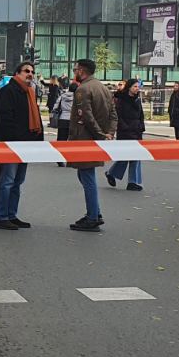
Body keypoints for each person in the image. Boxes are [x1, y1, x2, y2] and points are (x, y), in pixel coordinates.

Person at [0, 62, 41, 229]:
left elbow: (36, 119)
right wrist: (16, 140)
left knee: (17, 181)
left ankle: (11, 215)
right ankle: (1, 216)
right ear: (17, 73)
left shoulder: (29, 92)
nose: (30, 74)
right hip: (11, 145)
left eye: (32, 71)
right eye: (26, 71)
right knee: (7, 181)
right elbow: (5, 120)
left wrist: (36, 141)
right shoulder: (7, 91)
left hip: (25, 145)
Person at [68, 59, 117, 232]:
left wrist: (100, 135)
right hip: (96, 139)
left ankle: (92, 217)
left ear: (81, 71)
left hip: (84, 139)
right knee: (85, 176)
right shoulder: (103, 88)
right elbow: (113, 113)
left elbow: (86, 116)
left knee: (87, 177)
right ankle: (95, 212)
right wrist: (109, 133)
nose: (74, 72)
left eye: (75, 69)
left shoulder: (83, 89)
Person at [105, 79, 146, 192]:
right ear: (129, 87)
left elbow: (141, 115)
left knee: (135, 156)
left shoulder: (137, 99)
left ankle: (132, 182)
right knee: (126, 156)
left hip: (136, 131)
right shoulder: (121, 100)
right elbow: (118, 116)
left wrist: (141, 126)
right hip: (125, 132)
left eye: (138, 87)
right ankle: (114, 174)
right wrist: (125, 127)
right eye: (135, 87)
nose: (137, 89)